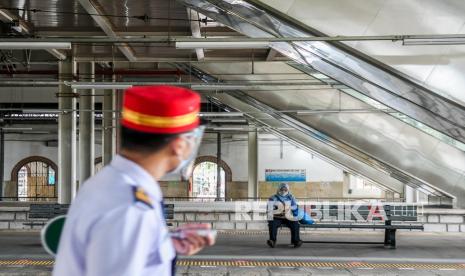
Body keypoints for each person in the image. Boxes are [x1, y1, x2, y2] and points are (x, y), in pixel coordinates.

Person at [53, 85, 215, 276]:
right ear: (179, 145)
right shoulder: (131, 208)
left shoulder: (106, 184)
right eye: (192, 139)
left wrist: (163, 243)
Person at [266, 183, 303, 248]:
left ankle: (296, 241)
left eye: (285, 189)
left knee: (295, 224)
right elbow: (269, 208)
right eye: (282, 189)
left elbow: (295, 206)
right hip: (277, 217)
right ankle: (272, 241)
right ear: (278, 189)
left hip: (288, 216)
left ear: (288, 190)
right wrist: (276, 208)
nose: (283, 191)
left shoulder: (291, 197)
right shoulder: (273, 197)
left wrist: (289, 207)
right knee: (272, 224)